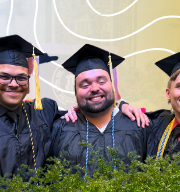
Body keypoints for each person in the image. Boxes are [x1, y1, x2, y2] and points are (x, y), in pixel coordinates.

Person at [0, 36, 148, 192]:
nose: (13, 83)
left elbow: (89, 110)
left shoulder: (44, 112)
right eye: (4, 76)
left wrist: (121, 105)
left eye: (21, 77)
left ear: (29, 80)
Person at [49, 45, 147, 176]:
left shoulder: (139, 125)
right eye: (85, 85)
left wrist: (121, 104)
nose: (95, 88)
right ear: (75, 94)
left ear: (112, 87)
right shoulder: (59, 129)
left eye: (101, 82)